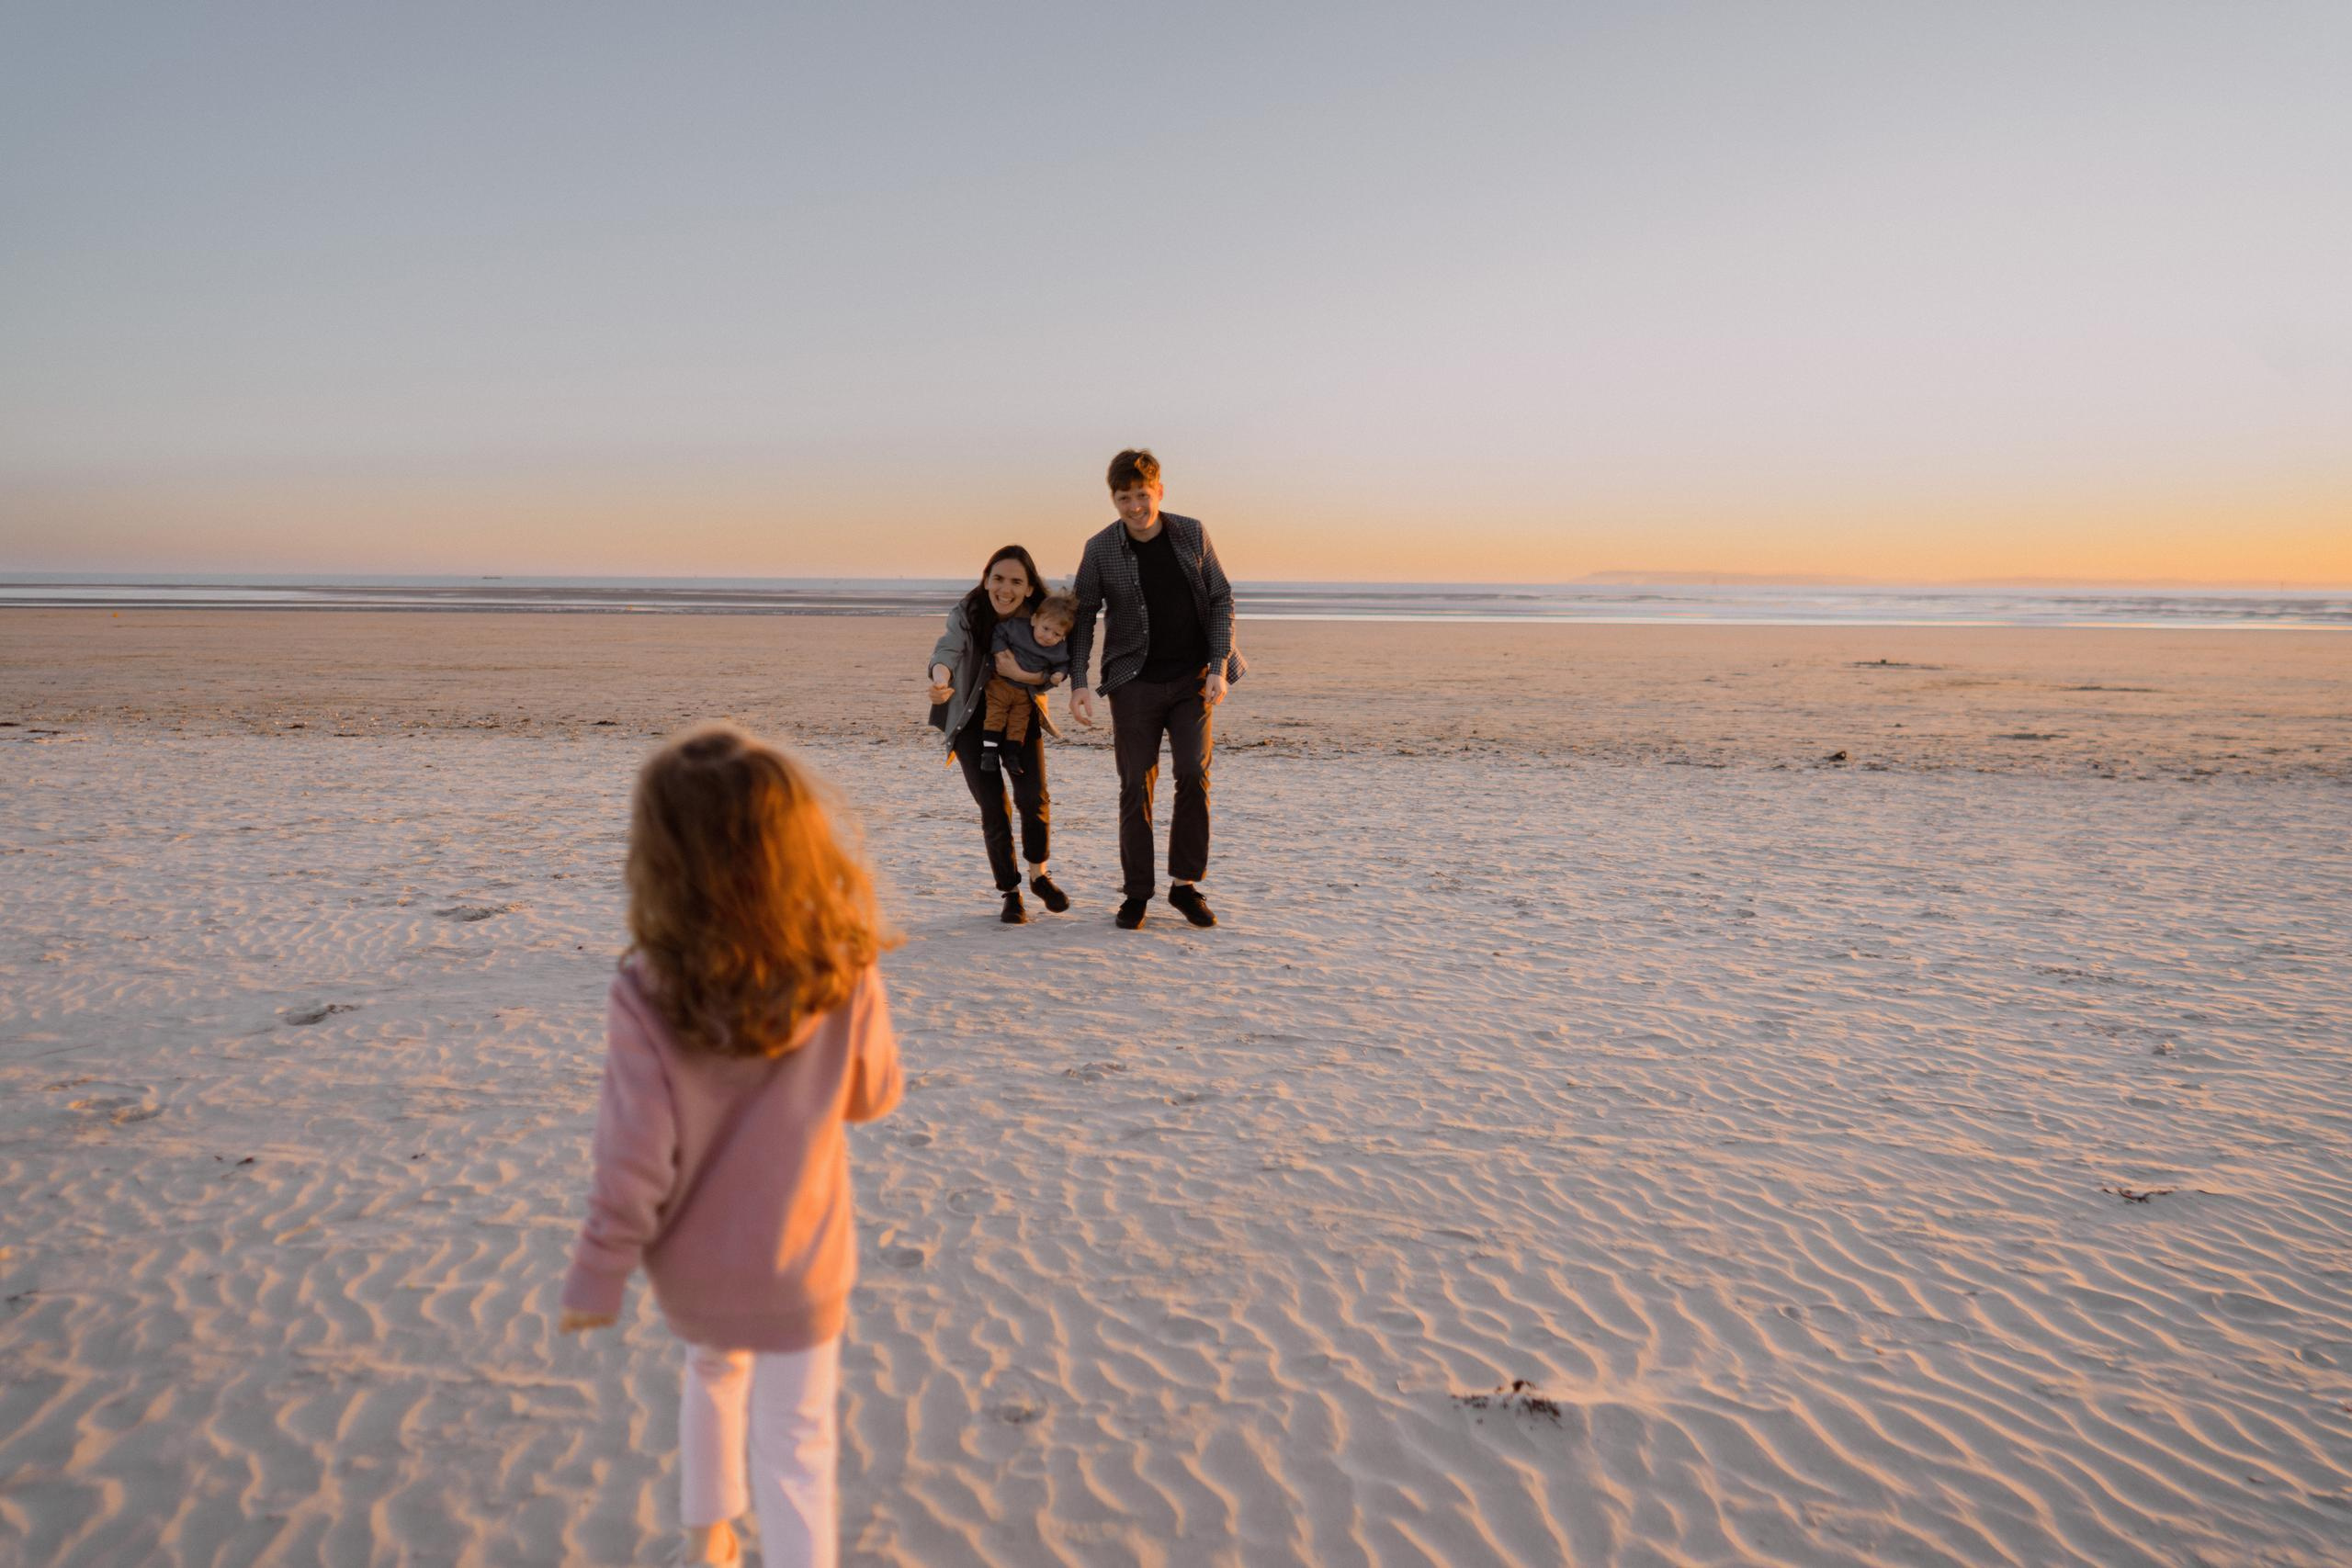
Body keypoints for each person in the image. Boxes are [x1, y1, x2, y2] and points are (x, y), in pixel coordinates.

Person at [558, 725, 902, 1568]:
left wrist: (598, 1271)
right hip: (802, 1261)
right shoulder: (841, 964)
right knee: (798, 1440)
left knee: (711, 1375)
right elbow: (872, 1097)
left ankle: (708, 1538)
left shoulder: (648, 986)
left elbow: (633, 1155)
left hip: (698, 1267)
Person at [1066, 447, 1242, 931]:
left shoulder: (1191, 533)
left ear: (1159, 492)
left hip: (1193, 679)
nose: (1135, 506)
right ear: (1114, 499)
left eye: (1142, 495)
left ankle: (1184, 886)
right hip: (1133, 682)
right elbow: (1082, 615)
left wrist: (1218, 666)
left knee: (1193, 774)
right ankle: (1137, 894)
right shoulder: (1100, 548)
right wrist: (1079, 681)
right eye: (1124, 498)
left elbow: (1221, 597)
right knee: (1134, 785)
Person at [927, 546, 1070, 924]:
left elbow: (1059, 665)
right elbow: (947, 650)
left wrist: (1025, 676)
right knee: (994, 807)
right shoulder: (968, 612)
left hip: (1021, 716)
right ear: (987, 579)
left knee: (1033, 797)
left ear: (1029, 588)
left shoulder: (1042, 617)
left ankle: (1039, 876)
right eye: (999, 579)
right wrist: (940, 681)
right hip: (971, 720)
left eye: (1016, 582)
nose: (1005, 589)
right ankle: (1011, 892)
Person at [978, 590, 1078, 777]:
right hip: (1000, 683)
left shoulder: (1058, 649)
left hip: (1025, 691)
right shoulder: (1018, 629)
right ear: (1034, 620)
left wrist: (1059, 674)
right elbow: (998, 632)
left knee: (1019, 722)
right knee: (995, 715)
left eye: (1056, 634)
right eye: (1045, 628)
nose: (1048, 636)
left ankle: (1011, 756)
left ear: (1063, 636)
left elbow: (1063, 664)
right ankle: (989, 753)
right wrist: (1000, 652)